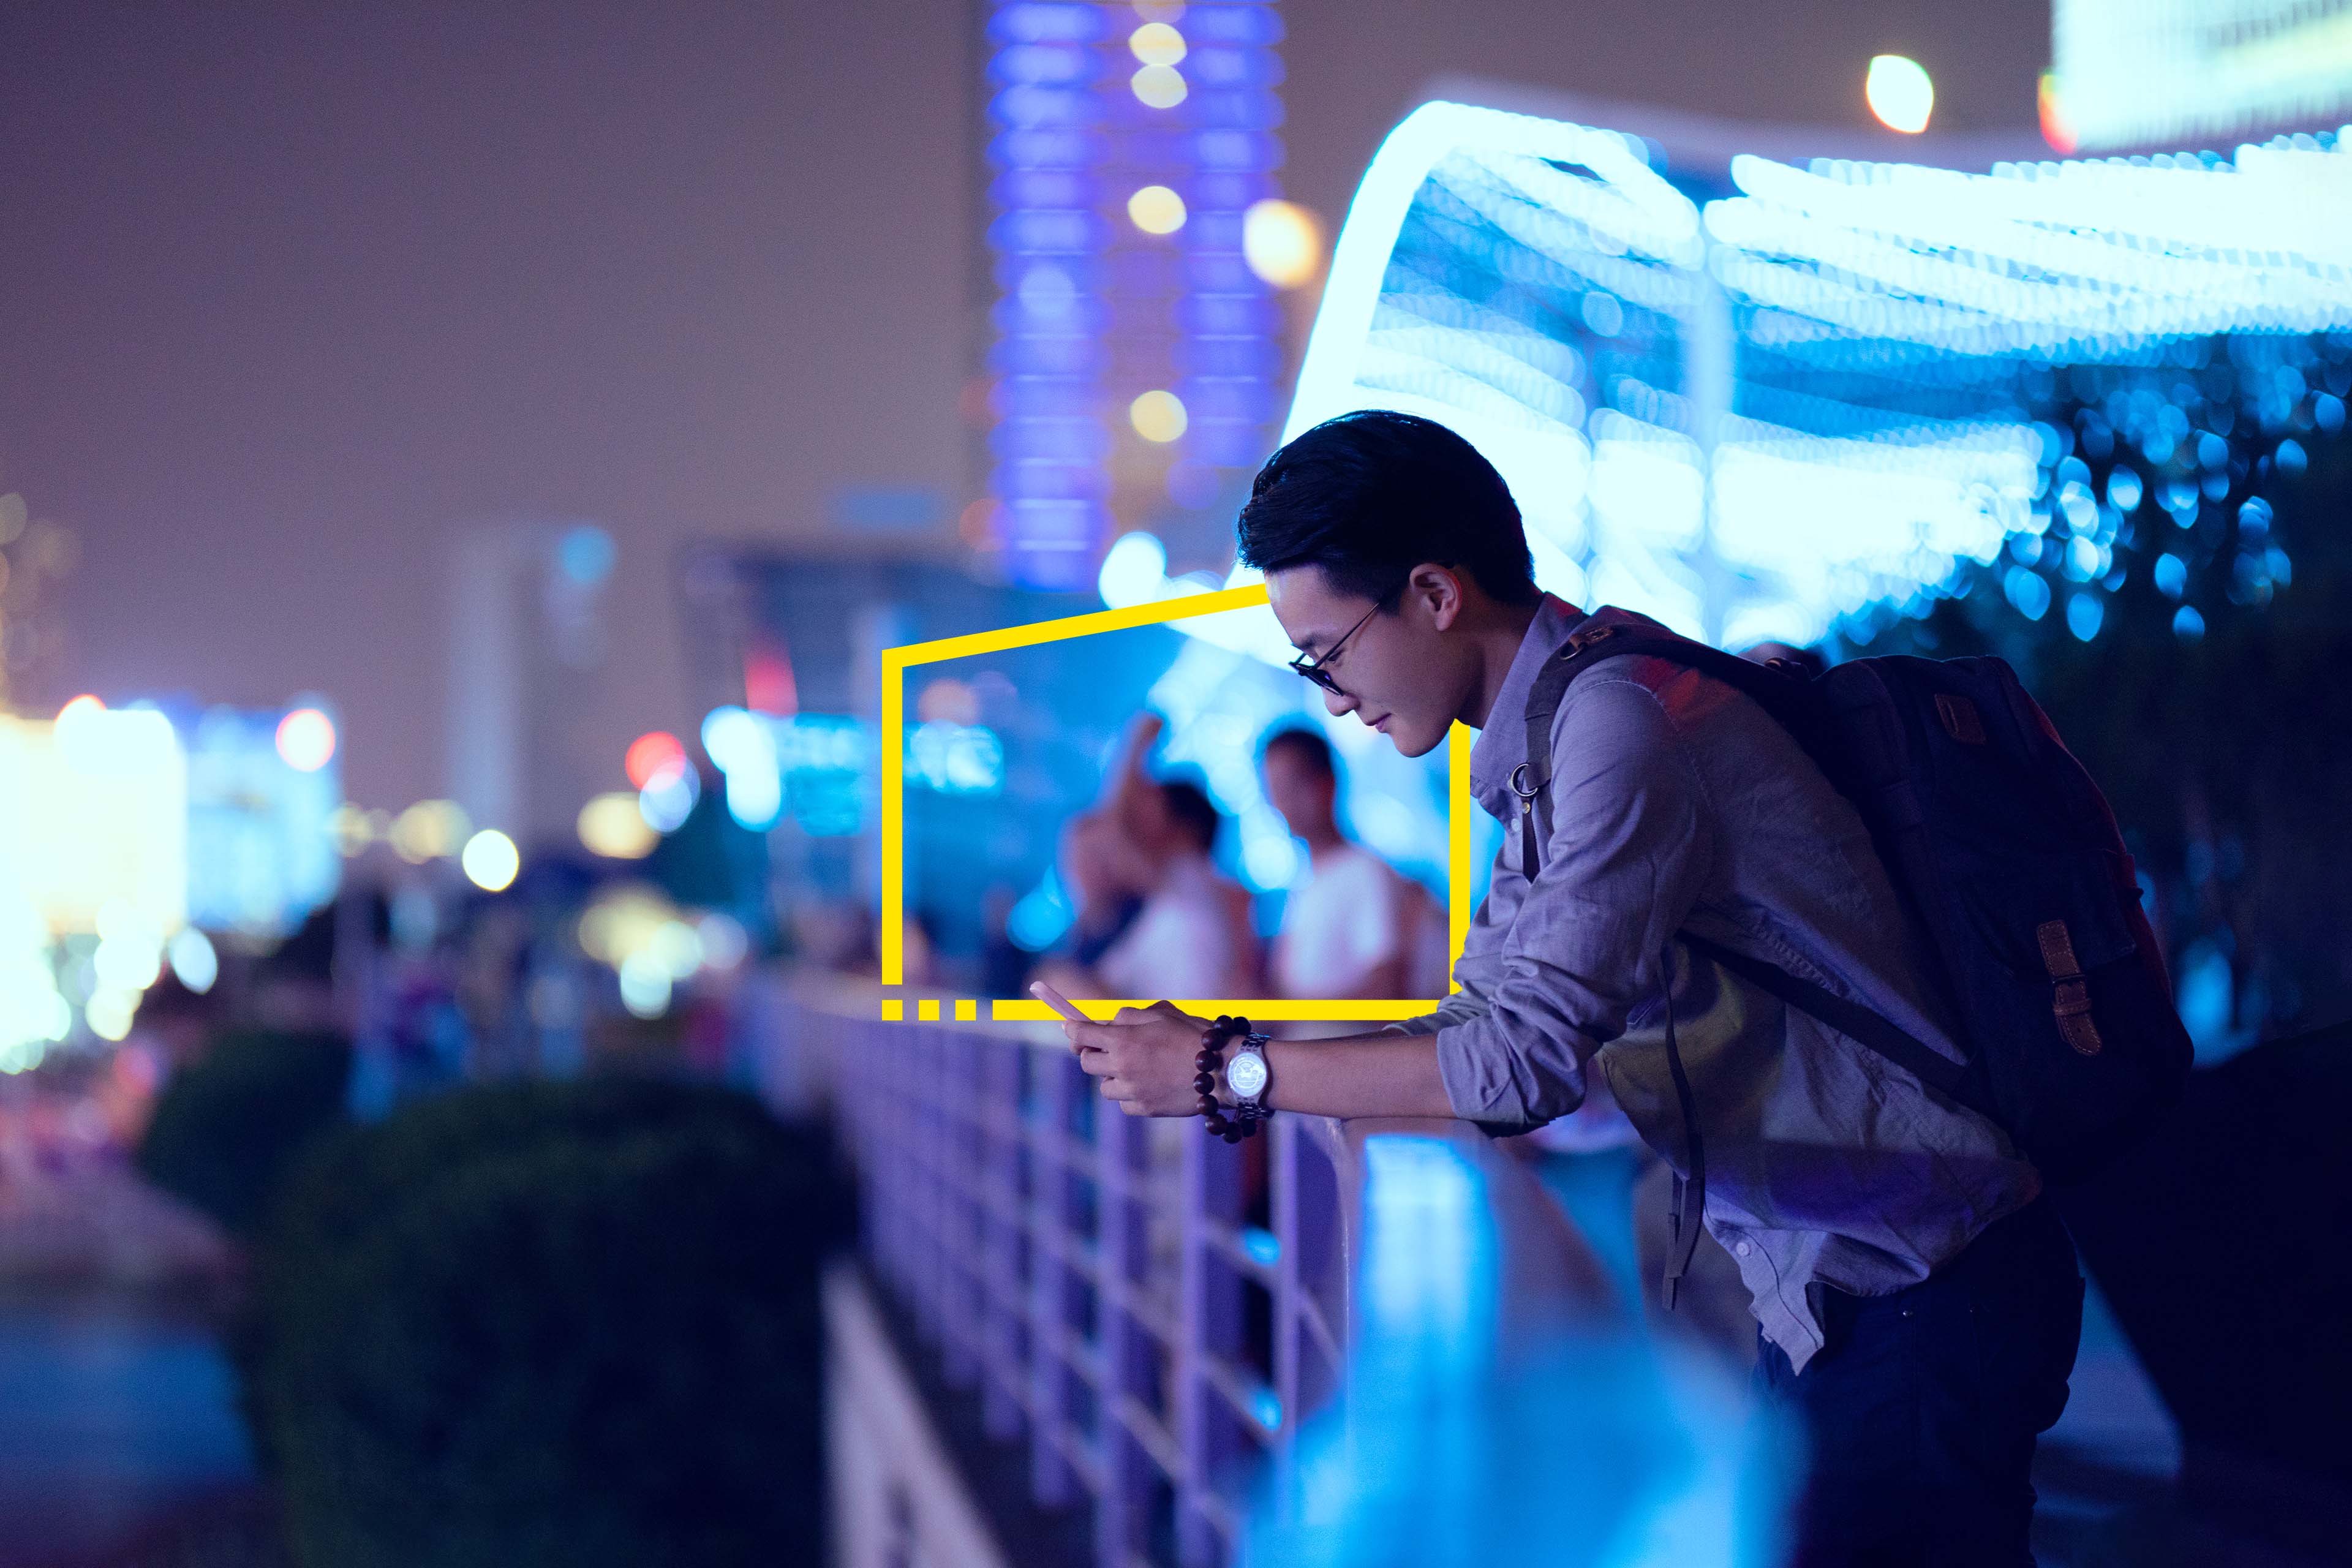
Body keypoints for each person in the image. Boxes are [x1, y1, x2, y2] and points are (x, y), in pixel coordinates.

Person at [1060, 409, 2081, 1566]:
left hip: (1922, 1272)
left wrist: (1221, 1068)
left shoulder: (1618, 724)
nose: (1329, 698)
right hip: (1844, 1281)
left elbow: (1517, 1064)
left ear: (1435, 595)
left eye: (1328, 654)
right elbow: (1487, 1025)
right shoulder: (1555, 738)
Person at [1257, 726, 1447, 1003]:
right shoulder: (1307, 882)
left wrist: (1293, 1014)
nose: (1284, 802)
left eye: (1293, 785)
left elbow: (1387, 991)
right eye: (1274, 790)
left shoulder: (1364, 871)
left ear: (1328, 783)